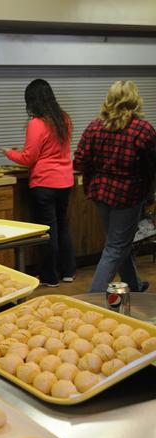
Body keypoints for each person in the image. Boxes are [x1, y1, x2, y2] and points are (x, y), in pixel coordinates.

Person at [74, 80, 156, 292]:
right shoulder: (143, 129)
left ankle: (135, 285)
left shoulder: (94, 126)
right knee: (115, 246)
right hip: (128, 196)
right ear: (135, 100)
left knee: (119, 242)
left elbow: (79, 161)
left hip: (100, 193)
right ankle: (93, 298)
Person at [2, 79, 77, 287]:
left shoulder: (37, 123)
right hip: (65, 182)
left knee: (47, 232)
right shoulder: (64, 119)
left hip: (44, 184)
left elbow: (28, 159)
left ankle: (49, 277)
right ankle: (68, 271)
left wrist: (9, 153)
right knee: (63, 227)